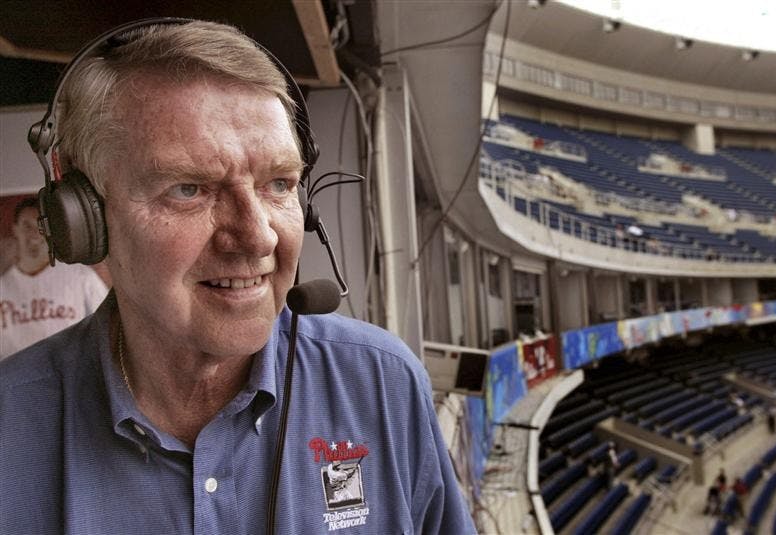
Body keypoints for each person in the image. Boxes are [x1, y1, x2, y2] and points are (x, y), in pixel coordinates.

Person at [0, 20, 475, 534]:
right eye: (189, 189)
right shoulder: (11, 422)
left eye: (278, 183)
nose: (258, 238)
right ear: (83, 220)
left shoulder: (382, 381)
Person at [0, 197, 107, 359]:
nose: (34, 234)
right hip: (16, 380)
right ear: (15, 229)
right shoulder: (2, 287)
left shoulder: (80, 276)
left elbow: (108, 326)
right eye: (27, 226)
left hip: (71, 375)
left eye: (40, 227)